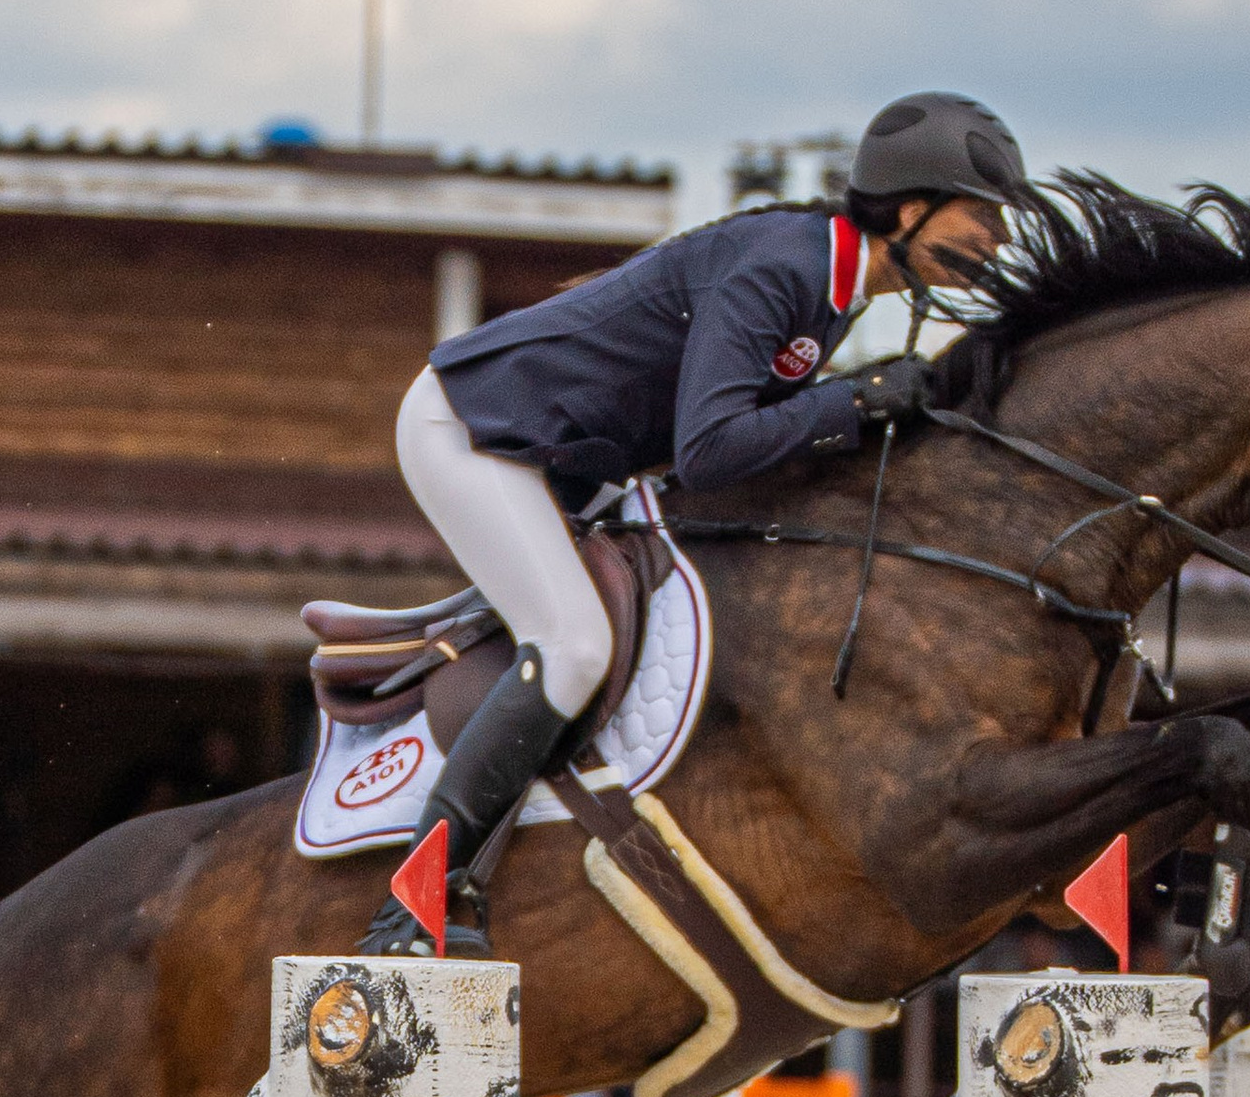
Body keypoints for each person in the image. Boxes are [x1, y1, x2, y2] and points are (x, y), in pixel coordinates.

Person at [353, 90, 1029, 955]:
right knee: (575, 646)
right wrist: (854, 399)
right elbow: (708, 448)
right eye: (985, 218)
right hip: (477, 429)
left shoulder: (833, 290)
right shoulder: (784, 266)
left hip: (566, 461)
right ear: (909, 208)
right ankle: (412, 905)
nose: (999, 243)